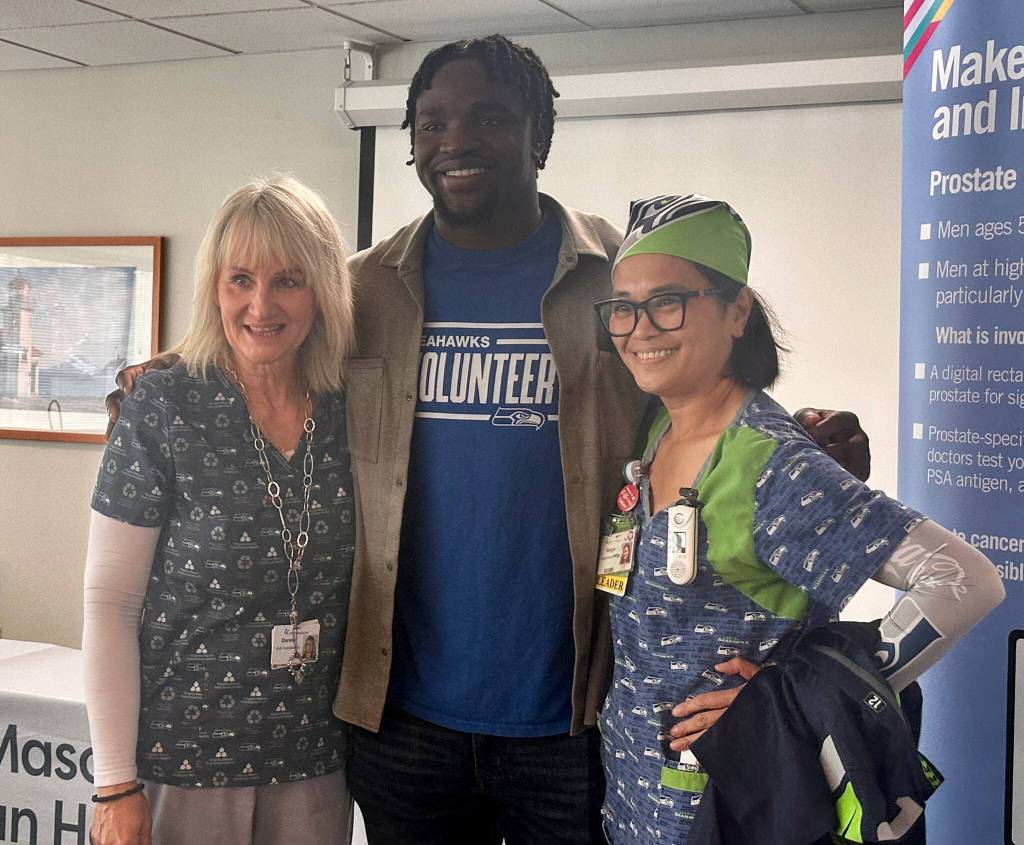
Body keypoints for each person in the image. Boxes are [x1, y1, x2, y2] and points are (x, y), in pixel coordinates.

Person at [106, 35, 872, 843]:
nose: (456, 141)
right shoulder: (362, 290)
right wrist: (162, 371)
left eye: (489, 119)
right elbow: (264, 338)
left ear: (539, 137)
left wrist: (802, 431)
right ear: (411, 146)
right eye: (432, 123)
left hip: (572, 715)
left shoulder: (614, 272)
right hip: (402, 720)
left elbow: (703, 382)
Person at [593, 194, 1005, 843]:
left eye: (668, 300)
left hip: (734, 813)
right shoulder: (657, 433)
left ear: (736, 311)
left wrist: (798, 694)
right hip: (634, 808)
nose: (640, 327)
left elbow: (965, 580)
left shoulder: (765, 462)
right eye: (623, 306)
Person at [83, 176, 356, 845]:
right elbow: (109, 602)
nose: (260, 304)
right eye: (240, 279)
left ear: (321, 289)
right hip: (184, 763)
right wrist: (115, 781)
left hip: (316, 762)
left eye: (288, 279)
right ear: (215, 288)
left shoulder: (353, 408)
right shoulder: (166, 407)